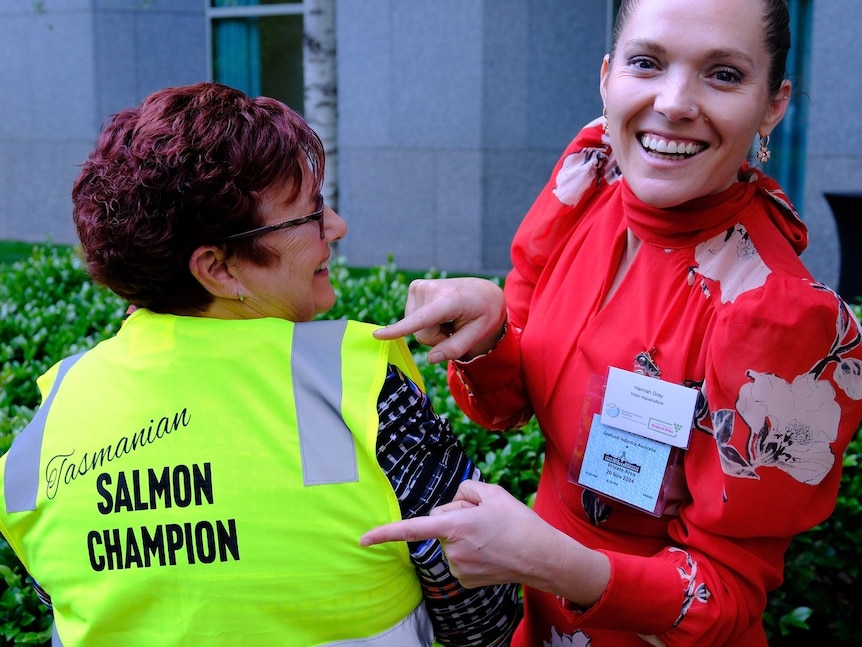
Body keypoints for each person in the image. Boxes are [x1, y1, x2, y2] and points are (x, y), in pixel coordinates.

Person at [360, 0, 862, 645]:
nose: (675, 102)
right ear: (607, 75)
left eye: (725, 75)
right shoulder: (590, 178)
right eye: (647, 63)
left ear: (773, 104)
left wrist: (545, 559)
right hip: (535, 614)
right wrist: (487, 338)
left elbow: (728, 599)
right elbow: (508, 408)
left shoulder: (782, 320)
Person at [0, 82, 519, 647]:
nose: (337, 228)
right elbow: (485, 613)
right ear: (218, 269)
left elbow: (65, 597)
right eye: (311, 215)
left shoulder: (48, 426)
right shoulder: (359, 384)